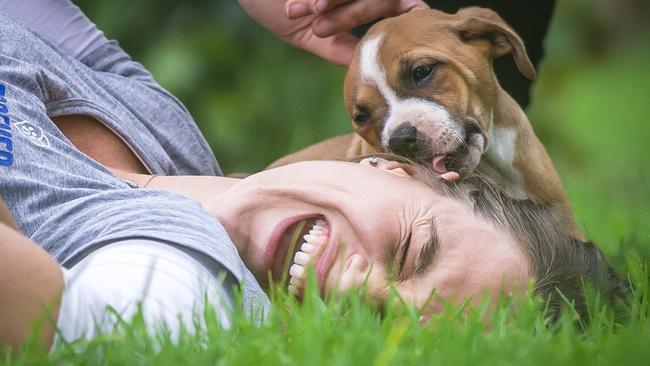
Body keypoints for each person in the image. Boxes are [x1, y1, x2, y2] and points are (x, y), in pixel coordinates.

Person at [0, 0, 625, 355]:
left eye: (389, 329)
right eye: (410, 251)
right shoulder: (163, 127)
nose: (366, 291)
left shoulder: (169, 291)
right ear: (382, 161)